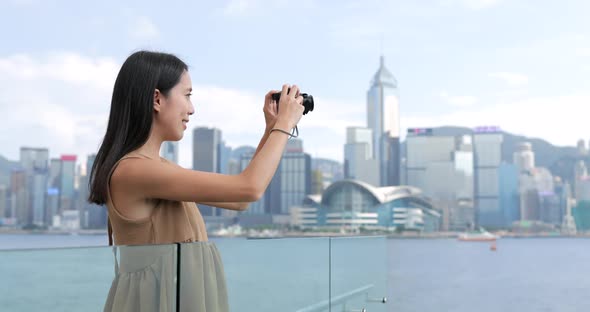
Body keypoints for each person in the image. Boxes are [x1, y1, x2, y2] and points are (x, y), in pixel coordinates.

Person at [88, 50, 305, 312]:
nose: (191, 109)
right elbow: (250, 188)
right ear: (157, 99)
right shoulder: (134, 171)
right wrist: (284, 124)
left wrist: (271, 129)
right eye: (187, 95)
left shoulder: (157, 169)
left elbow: (239, 200)